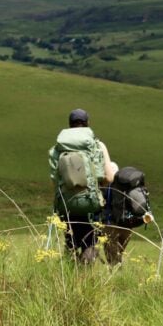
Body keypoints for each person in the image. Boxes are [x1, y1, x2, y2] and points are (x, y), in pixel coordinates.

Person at [49, 108, 117, 264]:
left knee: (70, 241)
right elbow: (109, 177)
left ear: (69, 125)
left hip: (66, 204)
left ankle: (68, 275)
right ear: (87, 124)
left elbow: (54, 180)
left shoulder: (58, 148)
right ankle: (83, 277)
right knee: (90, 243)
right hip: (91, 204)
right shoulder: (98, 145)